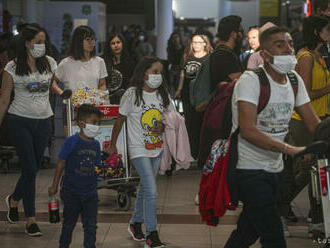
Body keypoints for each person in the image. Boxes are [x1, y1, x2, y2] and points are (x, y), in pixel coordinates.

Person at [224, 26, 320, 248]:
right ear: (264, 55)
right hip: (248, 169)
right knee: (273, 235)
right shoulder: (251, 80)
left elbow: (314, 123)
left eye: (290, 44)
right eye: (279, 45)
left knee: (247, 232)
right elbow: (248, 130)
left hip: (274, 168)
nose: (288, 49)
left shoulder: (294, 80)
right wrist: (290, 149)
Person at [107, 56, 176, 248]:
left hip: (157, 148)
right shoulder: (132, 94)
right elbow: (120, 120)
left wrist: (163, 126)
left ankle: (135, 223)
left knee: (146, 188)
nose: (158, 76)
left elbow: (172, 118)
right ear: (143, 72)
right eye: (154, 71)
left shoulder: (163, 94)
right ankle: (151, 234)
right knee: (152, 191)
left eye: (160, 72)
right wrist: (113, 144)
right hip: (138, 148)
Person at [0, 25, 57, 236]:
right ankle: (31, 219)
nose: (41, 46)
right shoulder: (12, 68)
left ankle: (14, 199)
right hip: (19, 121)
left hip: (43, 121)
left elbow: (52, 87)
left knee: (31, 170)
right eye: (37, 42)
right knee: (30, 169)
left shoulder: (50, 63)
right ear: (26, 43)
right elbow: (5, 99)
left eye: (44, 42)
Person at [278, 14, 330, 238]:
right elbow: (306, 93)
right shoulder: (306, 57)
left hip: (320, 120)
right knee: (305, 171)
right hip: (303, 122)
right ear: (317, 32)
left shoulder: (319, 56)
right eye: (328, 29)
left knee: (318, 173)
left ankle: (317, 220)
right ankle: (277, 208)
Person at [48, 104, 102, 248]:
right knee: (68, 225)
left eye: (99, 123)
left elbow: (97, 166)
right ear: (81, 123)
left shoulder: (96, 145)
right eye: (94, 122)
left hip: (91, 194)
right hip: (71, 192)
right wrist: (54, 185)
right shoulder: (71, 142)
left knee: (90, 227)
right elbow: (60, 163)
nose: (97, 126)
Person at [51, 25, 108, 136]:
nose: (92, 43)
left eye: (93, 39)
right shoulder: (66, 63)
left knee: (93, 143)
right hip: (71, 109)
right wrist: (62, 94)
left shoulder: (99, 61)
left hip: (93, 110)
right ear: (78, 41)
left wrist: (101, 97)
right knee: (73, 144)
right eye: (88, 40)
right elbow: (53, 82)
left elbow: (102, 84)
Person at [174, 33, 213, 161]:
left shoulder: (209, 58)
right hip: (187, 94)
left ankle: (203, 152)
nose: (196, 45)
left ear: (205, 44)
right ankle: (192, 151)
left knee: (203, 122)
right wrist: (179, 89)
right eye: (194, 42)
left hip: (202, 94)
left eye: (198, 42)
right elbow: (182, 75)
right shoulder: (187, 56)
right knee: (190, 123)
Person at [210, 15, 243, 92]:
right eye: (241, 31)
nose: (242, 35)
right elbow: (237, 81)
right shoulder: (224, 55)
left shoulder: (221, 52)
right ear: (233, 34)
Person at [103, 32, 135, 103]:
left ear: (122, 43)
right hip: (107, 99)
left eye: (118, 42)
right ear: (109, 46)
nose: (116, 45)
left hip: (126, 100)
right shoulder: (102, 61)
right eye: (113, 43)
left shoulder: (130, 62)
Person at [167, 32, 184, 98]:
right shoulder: (170, 48)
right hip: (174, 67)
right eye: (173, 38)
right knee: (172, 83)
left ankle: (179, 96)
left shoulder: (183, 48)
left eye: (177, 37)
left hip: (181, 68)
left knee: (179, 82)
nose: (175, 39)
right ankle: (172, 97)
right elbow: (170, 59)